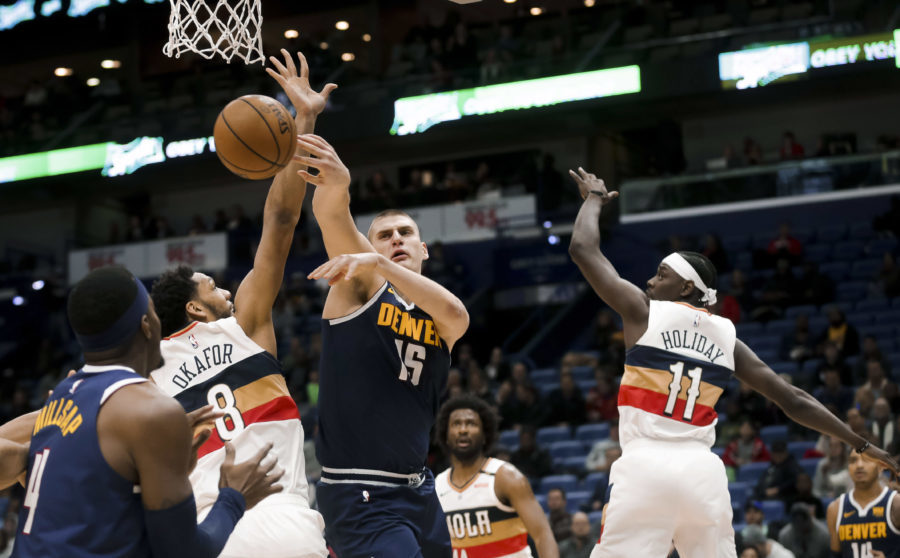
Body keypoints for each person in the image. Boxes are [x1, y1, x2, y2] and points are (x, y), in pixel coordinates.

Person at [565, 168, 899, 558]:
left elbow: (582, 249)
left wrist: (593, 199)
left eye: (661, 274)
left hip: (645, 465)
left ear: (687, 287)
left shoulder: (642, 311)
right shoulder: (727, 337)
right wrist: (862, 444)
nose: (651, 282)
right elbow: (794, 400)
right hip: (702, 473)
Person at [148, 50, 334, 558]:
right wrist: (303, 120)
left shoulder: (145, 377)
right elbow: (280, 221)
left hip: (210, 534)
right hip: (283, 519)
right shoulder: (245, 324)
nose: (227, 291)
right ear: (193, 308)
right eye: (213, 287)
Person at [11, 266, 280, 558]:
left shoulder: (63, 396)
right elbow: (186, 553)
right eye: (153, 311)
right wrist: (233, 497)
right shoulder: (149, 411)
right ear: (147, 326)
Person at [298, 131, 470, 558]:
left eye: (405, 232)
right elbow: (333, 217)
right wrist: (337, 187)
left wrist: (375, 258)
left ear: (423, 248)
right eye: (383, 236)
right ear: (362, 251)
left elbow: (457, 316)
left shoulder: (437, 314)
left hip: (418, 487)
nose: (396, 239)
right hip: (360, 492)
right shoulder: (362, 288)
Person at [434, 395, 558, 558]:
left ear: (485, 434)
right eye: (456, 424)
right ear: (446, 435)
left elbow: (543, 535)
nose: (463, 429)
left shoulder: (505, 476)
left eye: (471, 423)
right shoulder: (437, 485)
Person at [826, 448, 900, 558]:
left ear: (880, 466)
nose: (859, 465)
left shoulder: (895, 503)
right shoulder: (835, 508)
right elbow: (835, 555)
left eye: (866, 460)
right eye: (853, 460)